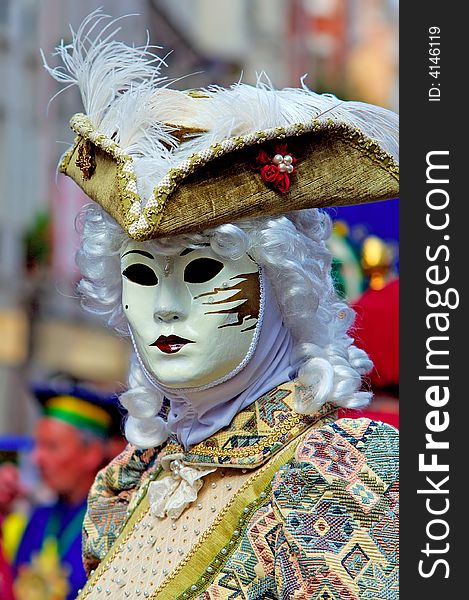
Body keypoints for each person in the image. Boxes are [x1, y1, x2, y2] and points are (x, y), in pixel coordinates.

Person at [44, 11, 399, 598]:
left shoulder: (344, 478)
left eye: (202, 269)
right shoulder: (129, 484)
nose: (165, 307)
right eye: (140, 273)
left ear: (283, 285)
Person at [12, 382, 124, 600]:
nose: (37, 458)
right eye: (37, 446)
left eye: (52, 446)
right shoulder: (39, 518)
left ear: (91, 453)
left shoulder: (112, 524)